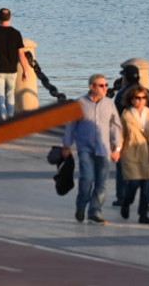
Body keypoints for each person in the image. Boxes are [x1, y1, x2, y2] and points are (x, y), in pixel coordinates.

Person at [62, 73, 123, 225]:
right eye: (101, 85)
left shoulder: (109, 103)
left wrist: (118, 148)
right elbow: (71, 126)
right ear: (92, 86)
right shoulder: (79, 103)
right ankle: (81, 206)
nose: (105, 88)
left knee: (102, 183)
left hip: (104, 149)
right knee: (87, 179)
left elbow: (116, 126)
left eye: (106, 85)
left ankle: (95, 212)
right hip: (85, 148)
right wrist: (66, 145)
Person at [118, 86, 149, 225]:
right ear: (131, 100)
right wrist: (117, 149)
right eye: (138, 98)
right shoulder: (126, 115)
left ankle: (143, 214)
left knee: (146, 186)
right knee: (134, 183)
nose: (141, 101)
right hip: (131, 152)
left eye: (144, 98)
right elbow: (121, 134)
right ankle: (126, 202)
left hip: (148, 153)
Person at [0, 8, 31, 121]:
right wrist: (25, 70)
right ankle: (10, 119)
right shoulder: (16, 33)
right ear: (10, 18)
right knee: (10, 95)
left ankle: (2, 118)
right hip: (12, 70)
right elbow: (21, 54)